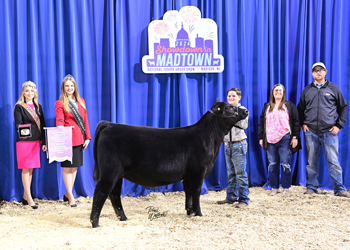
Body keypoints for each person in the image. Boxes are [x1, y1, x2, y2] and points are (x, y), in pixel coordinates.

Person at [297, 62, 349, 197]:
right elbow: (300, 109)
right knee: (311, 162)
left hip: (329, 132)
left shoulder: (333, 89)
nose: (318, 72)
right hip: (311, 131)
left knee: (333, 161)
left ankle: (340, 189)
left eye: (321, 70)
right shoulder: (307, 90)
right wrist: (303, 124)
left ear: (325, 72)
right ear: (312, 73)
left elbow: (343, 107)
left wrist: (339, 125)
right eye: (315, 70)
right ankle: (311, 188)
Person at [55, 74, 91, 207]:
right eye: (67, 86)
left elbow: (85, 120)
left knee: (74, 167)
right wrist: (62, 127)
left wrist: (87, 137)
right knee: (67, 167)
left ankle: (67, 193)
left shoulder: (81, 101)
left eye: (71, 85)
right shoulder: (60, 103)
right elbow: (59, 121)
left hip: (80, 138)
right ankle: (70, 196)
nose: (69, 88)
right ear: (63, 88)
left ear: (74, 87)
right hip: (66, 138)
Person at [258, 84, 301, 196]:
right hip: (270, 139)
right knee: (272, 164)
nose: (278, 92)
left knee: (285, 164)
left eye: (280, 90)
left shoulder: (289, 106)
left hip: (285, 138)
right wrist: (261, 138)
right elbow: (261, 123)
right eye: (276, 90)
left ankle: (286, 187)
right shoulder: (267, 107)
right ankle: (274, 187)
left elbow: (296, 122)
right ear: (272, 92)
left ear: (283, 93)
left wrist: (295, 137)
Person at [14, 81, 47, 209]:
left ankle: (24, 196)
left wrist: (43, 142)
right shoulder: (19, 107)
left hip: (36, 142)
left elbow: (42, 124)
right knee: (25, 169)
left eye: (32, 91)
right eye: (27, 90)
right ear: (23, 92)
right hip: (24, 142)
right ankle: (30, 198)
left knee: (31, 169)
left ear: (35, 93)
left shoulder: (38, 106)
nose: (29, 93)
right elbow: (18, 124)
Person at [217, 88, 250, 208]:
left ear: (239, 97)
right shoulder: (224, 110)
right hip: (227, 144)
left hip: (238, 144)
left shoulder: (243, 110)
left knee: (240, 173)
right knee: (231, 173)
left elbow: (244, 125)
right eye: (229, 96)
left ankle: (244, 199)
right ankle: (230, 197)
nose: (231, 98)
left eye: (233, 96)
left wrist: (230, 117)